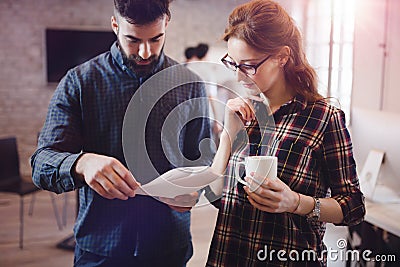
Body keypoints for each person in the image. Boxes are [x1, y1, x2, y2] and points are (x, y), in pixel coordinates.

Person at [31, 0, 213, 266]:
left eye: (156, 38)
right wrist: (82, 162)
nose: (145, 51)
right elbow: (41, 164)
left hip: (168, 246)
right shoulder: (79, 82)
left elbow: (203, 162)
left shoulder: (190, 85)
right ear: (115, 25)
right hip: (101, 247)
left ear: (167, 25)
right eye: (133, 39)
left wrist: (196, 189)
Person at [206, 0, 366, 266]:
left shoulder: (323, 118)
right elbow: (215, 198)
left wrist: (295, 202)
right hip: (229, 257)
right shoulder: (243, 114)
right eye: (233, 64)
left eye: (248, 65)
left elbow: (353, 208)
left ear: (282, 56)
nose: (238, 77)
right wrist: (227, 136)